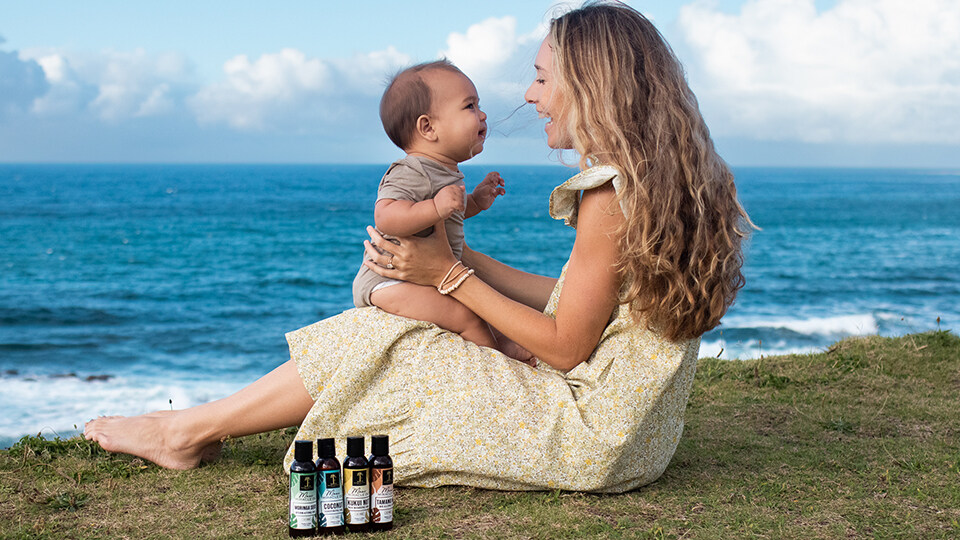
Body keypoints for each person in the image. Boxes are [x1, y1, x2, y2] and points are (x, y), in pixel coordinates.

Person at [84, 1, 752, 492]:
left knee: (388, 331)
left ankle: (185, 432)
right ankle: (193, 428)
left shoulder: (607, 196)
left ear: (593, 82)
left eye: (545, 78)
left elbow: (568, 344)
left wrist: (451, 281)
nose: (530, 94)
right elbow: (587, 303)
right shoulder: (664, 181)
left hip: (589, 437)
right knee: (402, 323)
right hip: (639, 441)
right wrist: (452, 266)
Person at [352, 60, 530, 361]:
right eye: (469, 106)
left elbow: (450, 213)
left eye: (478, 105)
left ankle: (505, 349)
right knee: (466, 317)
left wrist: (475, 200)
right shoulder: (412, 170)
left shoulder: (445, 171)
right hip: (390, 282)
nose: (482, 114)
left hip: (418, 277)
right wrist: (435, 206)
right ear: (428, 127)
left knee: (480, 307)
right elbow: (386, 215)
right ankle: (497, 372)